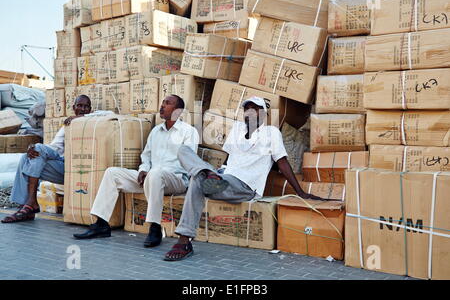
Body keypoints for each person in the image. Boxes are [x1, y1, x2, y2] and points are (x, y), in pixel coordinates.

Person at [163, 96, 324, 261]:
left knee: (197, 179)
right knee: (183, 150)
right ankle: (206, 173)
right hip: (222, 178)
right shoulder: (237, 129)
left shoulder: (271, 133)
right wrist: (216, 172)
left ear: (263, 114)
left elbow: (282, 163)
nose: (250, 113)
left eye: (254, 109)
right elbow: (228, 159)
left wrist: (301, 193)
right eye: (247, 109)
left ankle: (184, 241)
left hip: (244, 187)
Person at [73, 95, 200, 249]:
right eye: (162, 102)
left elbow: (188, 161)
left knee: (156, 174)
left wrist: (153, 172)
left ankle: (154, 227)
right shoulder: (156, 132)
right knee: (112, 173)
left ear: (178, 111)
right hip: (152, 178)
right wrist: (143, 170)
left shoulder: (188, 132)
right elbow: (146, 156)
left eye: (167, 103)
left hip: (177, 180)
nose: (162, 106)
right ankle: (101, 224)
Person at [2, 95, 92, 223]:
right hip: (61, 168)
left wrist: (81, 119)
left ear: (90, 110)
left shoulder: (94, 122)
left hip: (76, 169)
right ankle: (25, 207)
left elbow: (107, 114)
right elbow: (53, 148)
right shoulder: (66, 125)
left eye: (86, 106)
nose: (83, 109)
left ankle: (31, 203)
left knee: (37, 150)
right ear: (74, 107)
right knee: (27, 157)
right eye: (80, 106)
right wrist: (34, 149)